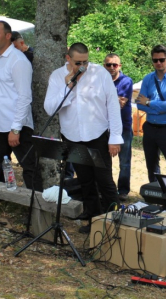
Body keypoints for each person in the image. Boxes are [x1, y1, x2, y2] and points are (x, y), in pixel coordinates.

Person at [44, 42, 122, 234]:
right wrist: (69, 84)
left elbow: (112, 104)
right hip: (72, 135)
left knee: (104, 179)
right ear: (67, 58)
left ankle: (115, 220)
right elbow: (50, 108)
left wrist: (115, 137)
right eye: (78, 62)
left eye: (85, 62)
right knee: (85, 179)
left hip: (97, 134)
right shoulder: (57, 76)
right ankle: (93, 217)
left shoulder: (100, 74)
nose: (83, 66)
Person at [0, 20, 42, 192]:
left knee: (29, 166)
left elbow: (25, 96)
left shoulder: (18, 60)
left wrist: (16, 128)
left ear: (8, 36)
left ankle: (36, 205)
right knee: (0, 163)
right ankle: (6, 196)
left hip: (16, 124)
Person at [136, 44, 166, 185]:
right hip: (150, 127)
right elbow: (139, 104)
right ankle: (156, 194)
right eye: (155, 60)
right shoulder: (147, 79)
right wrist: (160, 108)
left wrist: (149, 103)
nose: (158, 63)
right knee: (151, 166)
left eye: (161, 60)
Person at [103, 53, 133, 201]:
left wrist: (104, 100)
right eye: (108, 65)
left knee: (124, 161)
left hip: (124, 126)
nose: (112, 68)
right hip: (103, 127)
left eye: (115, 65)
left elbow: (121, 104)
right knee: (103, 160)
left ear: (120, 66)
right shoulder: (100, 80)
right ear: (104, 66)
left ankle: (123, 190)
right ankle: (105, 188)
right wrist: (113, 100)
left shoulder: (126, 81)